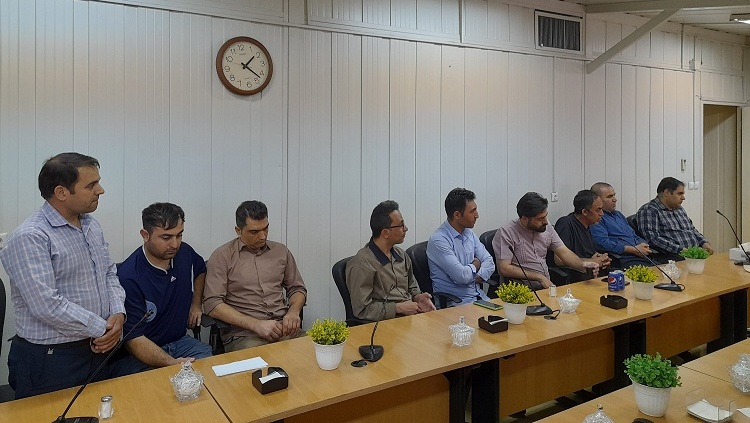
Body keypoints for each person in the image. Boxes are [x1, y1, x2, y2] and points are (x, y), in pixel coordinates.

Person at [0, 152, 126, 398]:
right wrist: (103, 328)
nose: (100, 190)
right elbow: (46, 305)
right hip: (51, 359)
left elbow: (109, 273)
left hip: (95, 349)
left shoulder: (90, 225)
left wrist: (118, 314)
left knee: (97, 411)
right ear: (61, 192)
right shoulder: (31, 236)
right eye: (91, 185)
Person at [110, 203, 212, 377]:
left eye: (179, 235)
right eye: (166, 237)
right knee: (157, 384)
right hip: (141, 352)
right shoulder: (128, 276)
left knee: (209, 365)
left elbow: (200, 270)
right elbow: (134, 340)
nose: (175, 244)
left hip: (180, 342)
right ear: (145, 235)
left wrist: (196, 305)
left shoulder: (184, 252)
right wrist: (173, 364)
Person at [203, 200, 307, 352]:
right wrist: (256, 325)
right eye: (254, 232)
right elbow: (212, 305)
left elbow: (297, 288)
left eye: (266, 228)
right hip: (245, 335)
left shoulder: (281, 251)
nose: (263, 236)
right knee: (263, 364)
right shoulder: (222, 256)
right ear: (238, 230)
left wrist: (293, 312)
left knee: (317, 352)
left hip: (283, 329)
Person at [346, 201, 435, 320]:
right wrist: (397, 308)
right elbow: (362, 309)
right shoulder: (363, 263)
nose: (406, 229)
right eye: (401, 225)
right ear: (385, 233)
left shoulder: (401, 255)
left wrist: (418, 297)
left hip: (410, 318)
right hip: (384, 323)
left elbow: (412, 287)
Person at [494, 192, 599, 290]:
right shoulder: (506, 232)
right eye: (540, 219)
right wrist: (539, 277)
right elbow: (504, 268)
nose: (545, 221)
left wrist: (582, 265)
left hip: (546, 287)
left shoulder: (546, 226)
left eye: (546, 216)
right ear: (524, 218)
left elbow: (564, 252)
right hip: (520, 289)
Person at [427, 188, 495, 305]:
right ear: (457, 215)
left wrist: (474, 276)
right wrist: (476, 264)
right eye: (472, 211)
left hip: (480, 298)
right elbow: (462, 276)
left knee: (508, 315)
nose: (477, 215)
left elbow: (490, 262)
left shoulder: (469, 233)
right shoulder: (439, 240)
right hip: (457, 304)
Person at [636, 177, 714, 255]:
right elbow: (653, 239)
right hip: (672, 256)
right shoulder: (649, 210)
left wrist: (704, 243)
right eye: (680, 194)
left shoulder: (679, 209)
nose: (683, 198)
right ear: (667, 193)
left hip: (693, 255)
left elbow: (691, 230)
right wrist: (682, 250)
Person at [590, 182, 654, 267]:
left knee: (667, 270)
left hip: (642, 256)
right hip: (623, 259)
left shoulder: (618, 215)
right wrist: (633, 249)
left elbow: (633, 235)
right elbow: (602, 243)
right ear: (597, 200)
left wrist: (644, 245)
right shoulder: (597, 218)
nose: (615, 199)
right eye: (609, 196)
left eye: (614, 195)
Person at [552, 190, 611, 280]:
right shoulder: (566, 223)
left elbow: (587, 253)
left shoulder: (589, 225)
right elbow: (559, 260)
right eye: (598, 210)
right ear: (585, 212)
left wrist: (601, 259)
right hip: (574, 277)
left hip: (592, 274)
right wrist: (593, 261)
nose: (602, 214)